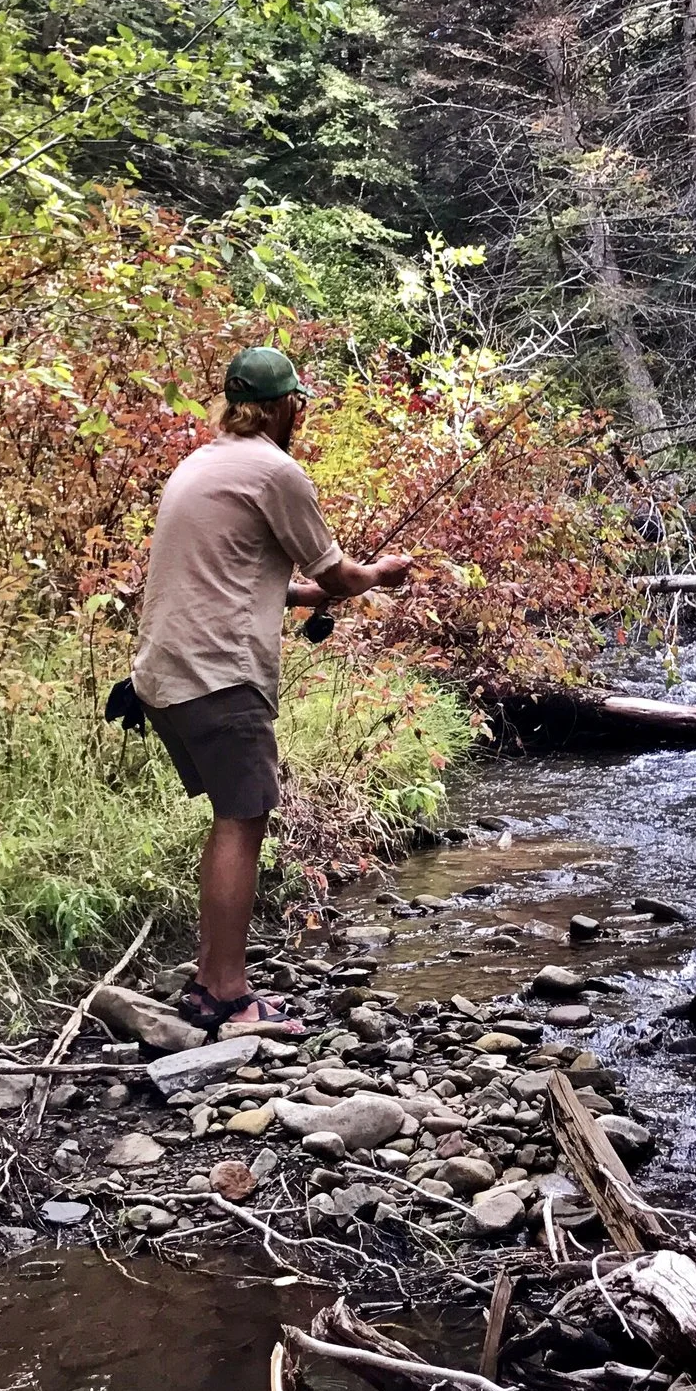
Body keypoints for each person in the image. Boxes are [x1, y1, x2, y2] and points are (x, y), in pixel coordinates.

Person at [132, 346, 412, 1035]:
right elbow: (341, 576)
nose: (301, 416)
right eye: (299, 405)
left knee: (234, 814)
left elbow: (231, 569)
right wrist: (380, 573)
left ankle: (208, 979)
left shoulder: (201, 462)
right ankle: (227, 993)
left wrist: (297, 592)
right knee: (243, 816)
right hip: (220, 675)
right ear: (285, 406)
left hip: (164, 676)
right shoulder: (274, 469)